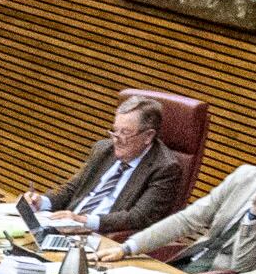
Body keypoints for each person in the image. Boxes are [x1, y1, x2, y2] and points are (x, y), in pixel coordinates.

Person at [106, 118, 256, 274]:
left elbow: (244, 267)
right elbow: (189, 219)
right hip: (190, 260)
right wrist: (128, 248)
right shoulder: (244, 175)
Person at [20, 93, 191, 241]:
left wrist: (83, 220)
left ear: (148, 136)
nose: (116, 139)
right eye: (115, 131)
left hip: (101, 239)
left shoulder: (165, 167)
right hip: (64, 228)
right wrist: (42, 202)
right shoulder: (104, 149)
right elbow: (73, 189)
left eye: (125, 133)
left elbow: (138, 217)